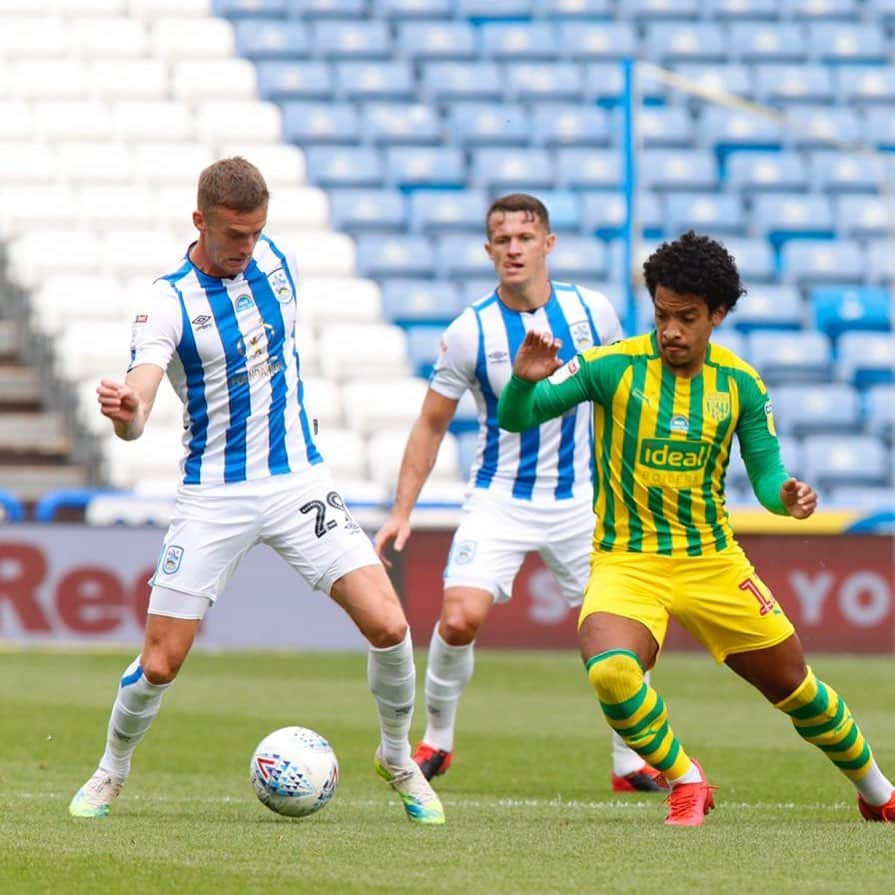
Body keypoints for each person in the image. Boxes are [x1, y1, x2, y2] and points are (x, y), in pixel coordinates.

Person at [68, 157, 444, 825]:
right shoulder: (167, 300)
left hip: (298, 480)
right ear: (200, 222)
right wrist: (125, 410)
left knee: (389, 624)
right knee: (161, 661)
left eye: (255, 232)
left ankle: (396, 757)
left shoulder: (277, 263)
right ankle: (110, 770)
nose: (246, 247)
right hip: (213, 495)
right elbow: (140, 406)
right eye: (233, 235)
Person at [496, 229, 895, 826]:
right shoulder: (610, 368)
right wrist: (524, 379)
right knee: (609, 669)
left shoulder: (740, 385)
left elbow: (766, 476)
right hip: (628, 561)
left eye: (687, 317)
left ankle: (879, 792)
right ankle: (686, 779)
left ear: (718, 314)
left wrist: (786, 497)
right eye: (662, 315)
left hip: (713, 562)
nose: (672, 330)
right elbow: (517, 418)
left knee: (797, 689)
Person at [373, 193, 667, 793]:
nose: (513, 249)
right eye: (502, 240)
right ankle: (439, 740)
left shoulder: (594, 314)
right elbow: (431, 423)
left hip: (583, 500)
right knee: (459, 619)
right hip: (499, 497)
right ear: (488, 250)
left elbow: (627, 393)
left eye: (524, 238)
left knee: (619, 633)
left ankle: (628, 761)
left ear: (548, 244)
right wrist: (402, 511)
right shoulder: (469, 331)